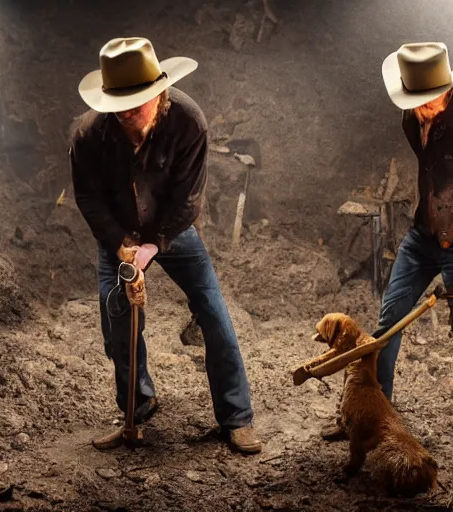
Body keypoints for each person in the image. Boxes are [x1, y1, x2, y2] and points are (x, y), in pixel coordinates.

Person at [69, 37, 261, 454]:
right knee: (116, 318)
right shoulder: (89, 134)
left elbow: (188, 198)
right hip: (117, 234)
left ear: (160, 93)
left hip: (172, 229)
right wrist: (122, 244)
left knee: (212, 310)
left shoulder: (189, 123)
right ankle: (137, 405)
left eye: (136, 107)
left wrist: (155, 244)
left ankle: (237, 417)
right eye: (118, 109)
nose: (127, 118)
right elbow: (88, 197)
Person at [324, 42, 453, 440]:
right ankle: (372, 411)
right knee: (388, 322)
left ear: (447, 89)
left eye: (425, 101)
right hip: (422, 234)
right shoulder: (413, 120)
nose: (417, 109)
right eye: (413, 101)